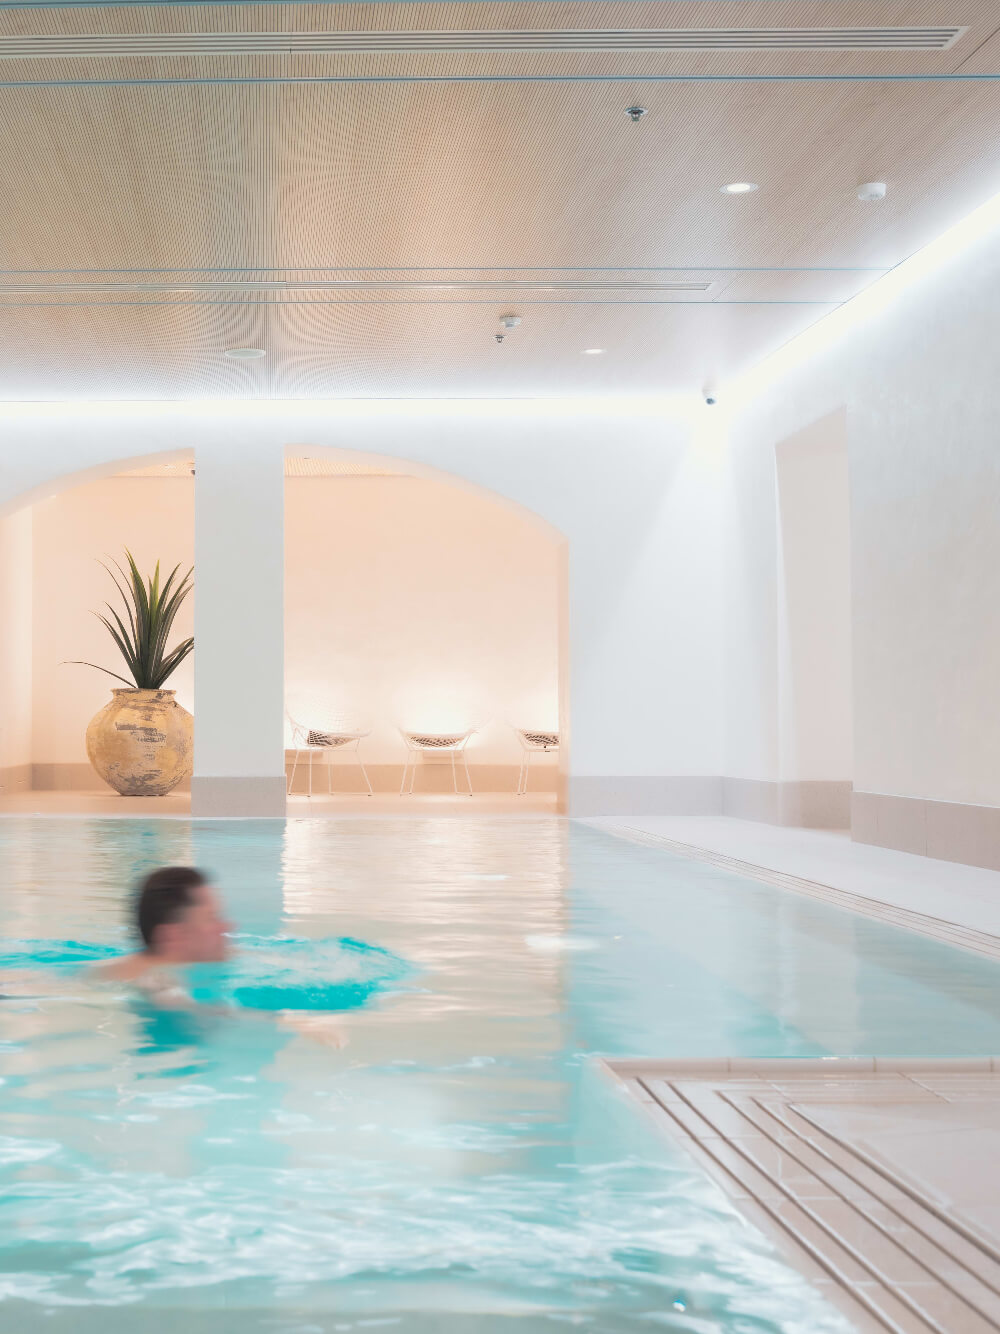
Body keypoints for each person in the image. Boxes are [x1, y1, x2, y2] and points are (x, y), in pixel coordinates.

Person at [96, 866, 233, 1006]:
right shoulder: (155, 984)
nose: (226, 927)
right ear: (174, 935)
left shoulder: (149, 966)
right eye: (212, 918)